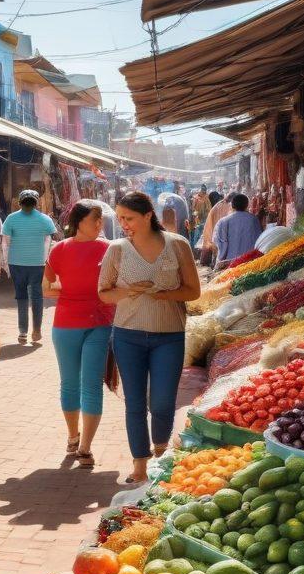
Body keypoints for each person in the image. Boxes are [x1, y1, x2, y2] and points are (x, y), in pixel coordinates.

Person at [99, 192, 201, 484]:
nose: (124, 223)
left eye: (129, 218)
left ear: (147, 216)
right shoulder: (116, 249)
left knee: (163, 401)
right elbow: (103, 292)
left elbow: (193, 291)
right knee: (135, 403)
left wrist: (163, 294)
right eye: (120, 218)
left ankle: (161, 451)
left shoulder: (177, 245)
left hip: (169, 335)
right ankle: (140, 465)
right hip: (127, 335)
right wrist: (129, 291)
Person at [43, 201, 114, 468]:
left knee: (91, 385)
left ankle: (85, 447)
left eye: (101, 220)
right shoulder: (59, 249)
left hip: (99, 323)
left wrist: (74, 294)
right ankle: (73, 437)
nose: (100, 224)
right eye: (95, 219)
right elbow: (46, 287)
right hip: (67, 325)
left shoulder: (109, 249)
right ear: (79, 220)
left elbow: (50, 289)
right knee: (70, 384)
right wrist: (78, 295)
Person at [2, 189, 57, 345]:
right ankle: (36, 330)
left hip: (16, 263)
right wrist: (44, 259)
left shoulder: (11, 219)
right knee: (36, 296)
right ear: (36, 202)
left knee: (21, 297)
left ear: (19, 202)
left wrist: (7, 262)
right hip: (37, 263)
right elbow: (48, 242)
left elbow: (6, 242)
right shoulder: (45, 219)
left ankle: (22, 333)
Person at [214, 193, 262, 264]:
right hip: (251, 262)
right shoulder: (254, 219)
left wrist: (220, 259)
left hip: (231, 263)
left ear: (232, 205)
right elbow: (259, 240)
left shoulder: (224, 221)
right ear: (247, 205)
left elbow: (220, 243)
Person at [200, 191, 231, 265]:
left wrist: (207, 245)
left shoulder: (215, 207)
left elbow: (208, 230)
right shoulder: (225, 206)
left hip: (217, 242)